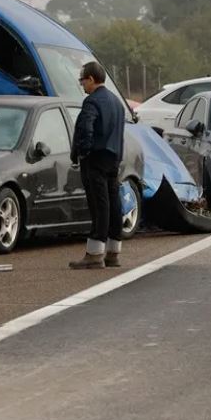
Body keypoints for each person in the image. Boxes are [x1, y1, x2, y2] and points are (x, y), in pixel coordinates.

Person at [70, 61, 125, 269]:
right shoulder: (117, 102)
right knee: (113, 202)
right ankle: (113, 251)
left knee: (97, 203)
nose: (82, 85)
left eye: (82, 81)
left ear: (91, 79)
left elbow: (85, 128)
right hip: (113, 157)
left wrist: (83, 152)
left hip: (95, 157)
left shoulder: (92, 102)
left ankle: (94, 253)